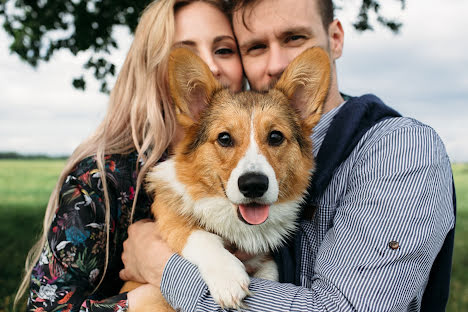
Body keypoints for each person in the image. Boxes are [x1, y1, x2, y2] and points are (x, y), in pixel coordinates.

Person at [119, 0, 456, 311]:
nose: (277, 64)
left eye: (295, 38)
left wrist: (165, 267)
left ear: (335, 38)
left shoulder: (398, 149)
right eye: (256, 47)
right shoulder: (206, 149)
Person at [15, 0, 243, 310]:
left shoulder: (264, 170)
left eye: (225, 50)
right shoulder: (102, 181)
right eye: (186, 53)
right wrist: (146, 301)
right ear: (154, 68)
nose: (211, 67)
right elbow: (45, 306)